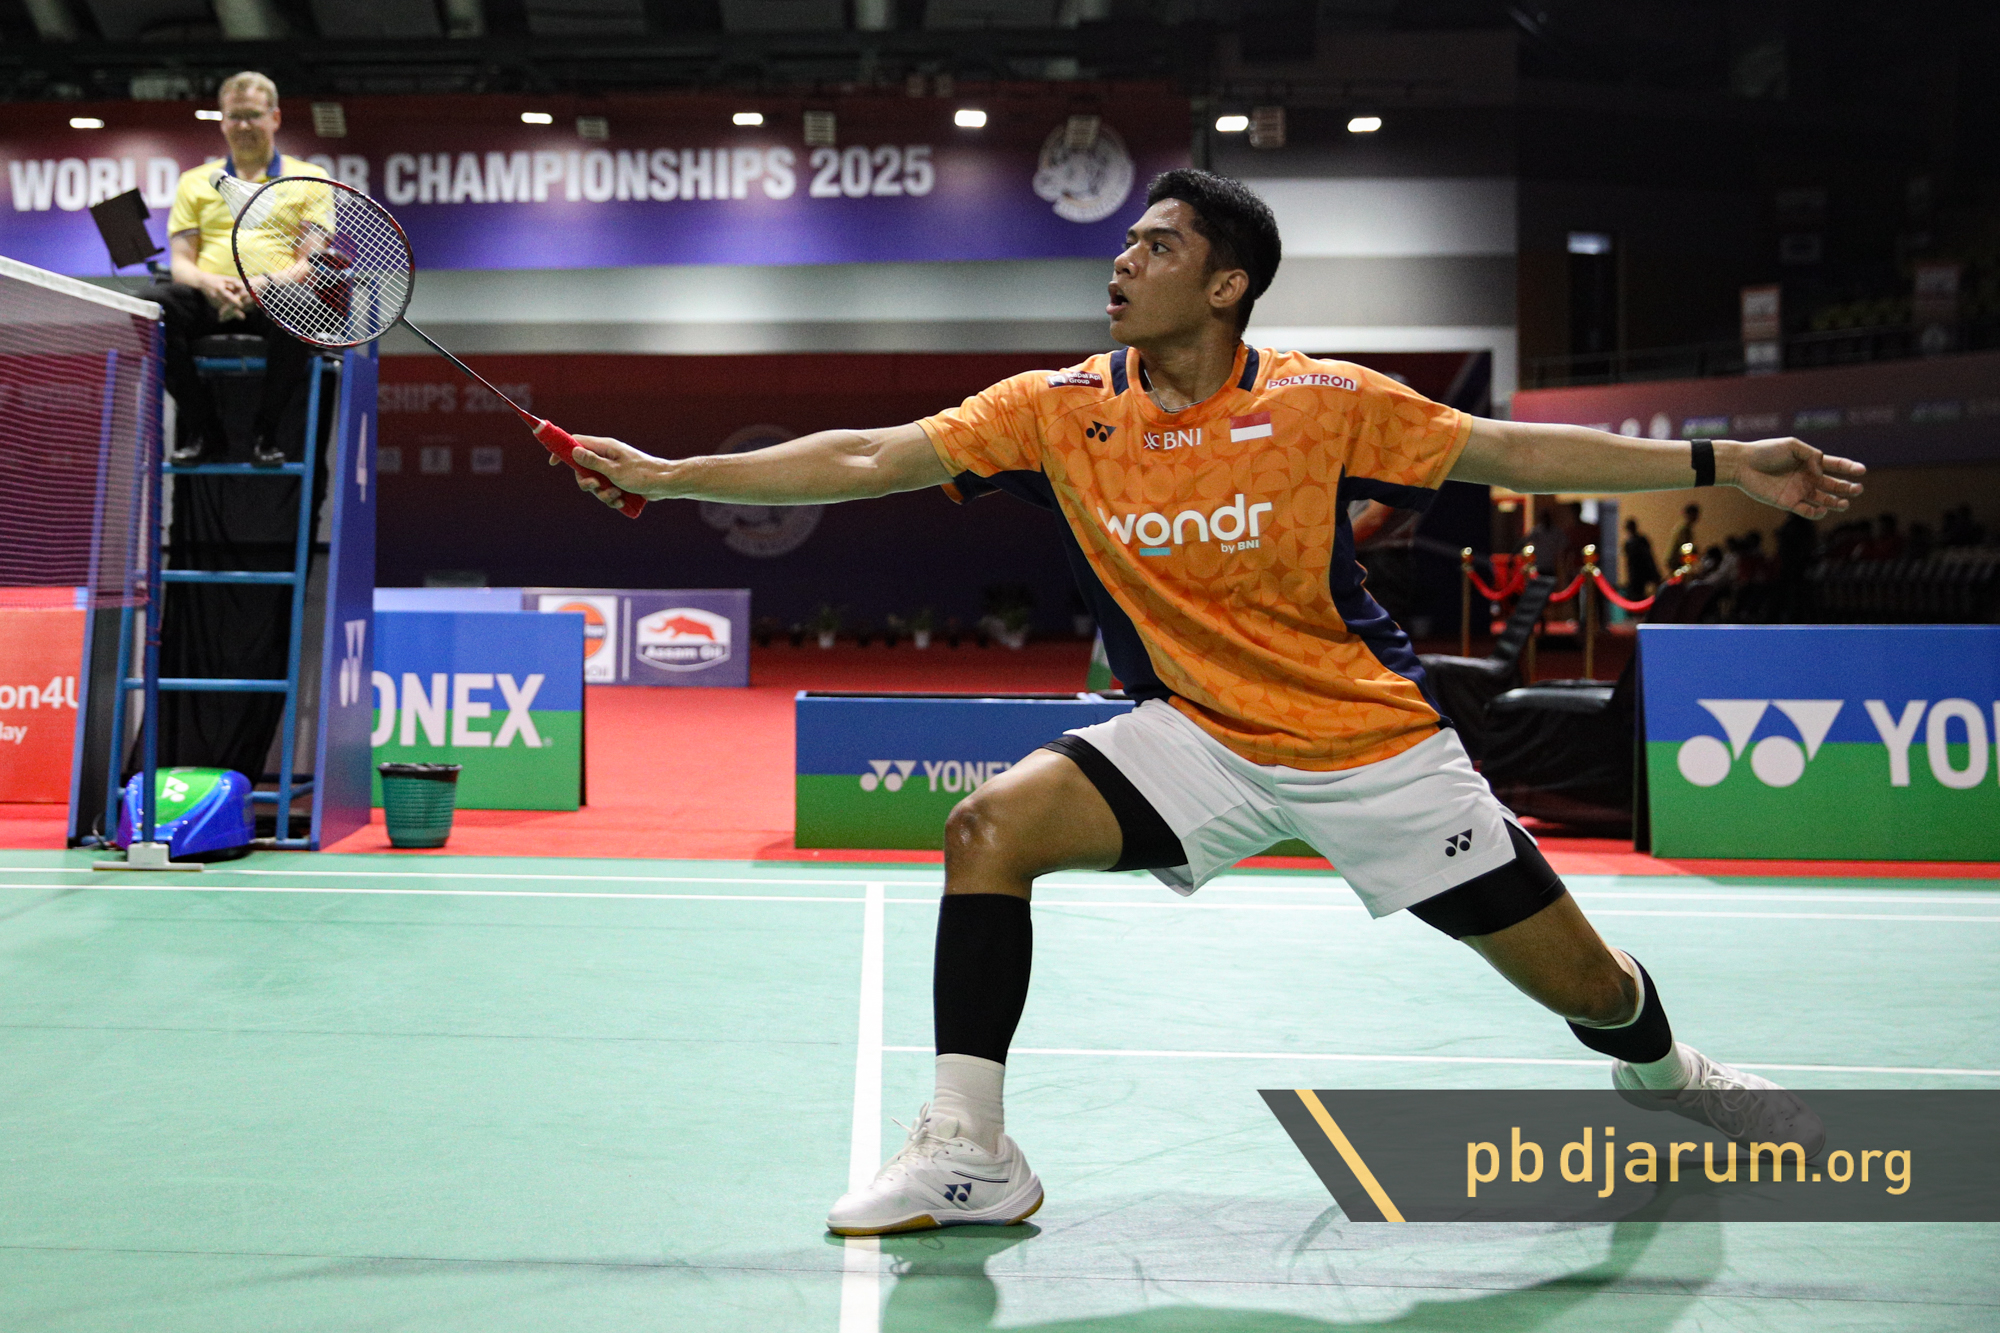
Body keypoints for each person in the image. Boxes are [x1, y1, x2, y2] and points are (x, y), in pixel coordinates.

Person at [558, 170, 1864, 1237]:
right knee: (988, 829)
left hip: (1370, 745)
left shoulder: (1323, 402)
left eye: (1156, 245)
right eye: (1125, 243)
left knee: (1588, 985)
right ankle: (970, 1151)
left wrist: (1721, 461)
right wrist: (671, 477)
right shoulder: (1058, 410)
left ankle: (1670, 1077)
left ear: (1226, 283)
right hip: (1195, 734)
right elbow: (867, 456)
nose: (1121, 261)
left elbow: (1508, 448)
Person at [152, 71, 328, 466]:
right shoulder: (194, 182)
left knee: (302, 305)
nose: (243, 125)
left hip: (273, 298)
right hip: (208, 297)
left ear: (274, 118)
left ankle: (266, 433)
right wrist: (210, 284)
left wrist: (261, 284)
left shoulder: (310, 179)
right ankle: (204, 428)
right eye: (234, 116)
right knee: (152, 305)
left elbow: (310, 262)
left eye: (253, 115)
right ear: (222, 121)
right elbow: (181, 262)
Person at [1621, 517, 1661, 601]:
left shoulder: (1634, 542)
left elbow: (1648, 557)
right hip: (1638, 574)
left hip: (1639, 574)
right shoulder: (1638, 541)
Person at [1666, 502, 1700, 573]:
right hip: (1676, 560)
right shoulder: (1685, 529)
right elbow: (1685, 546)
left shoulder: (1684, 527)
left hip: (1675, 560)